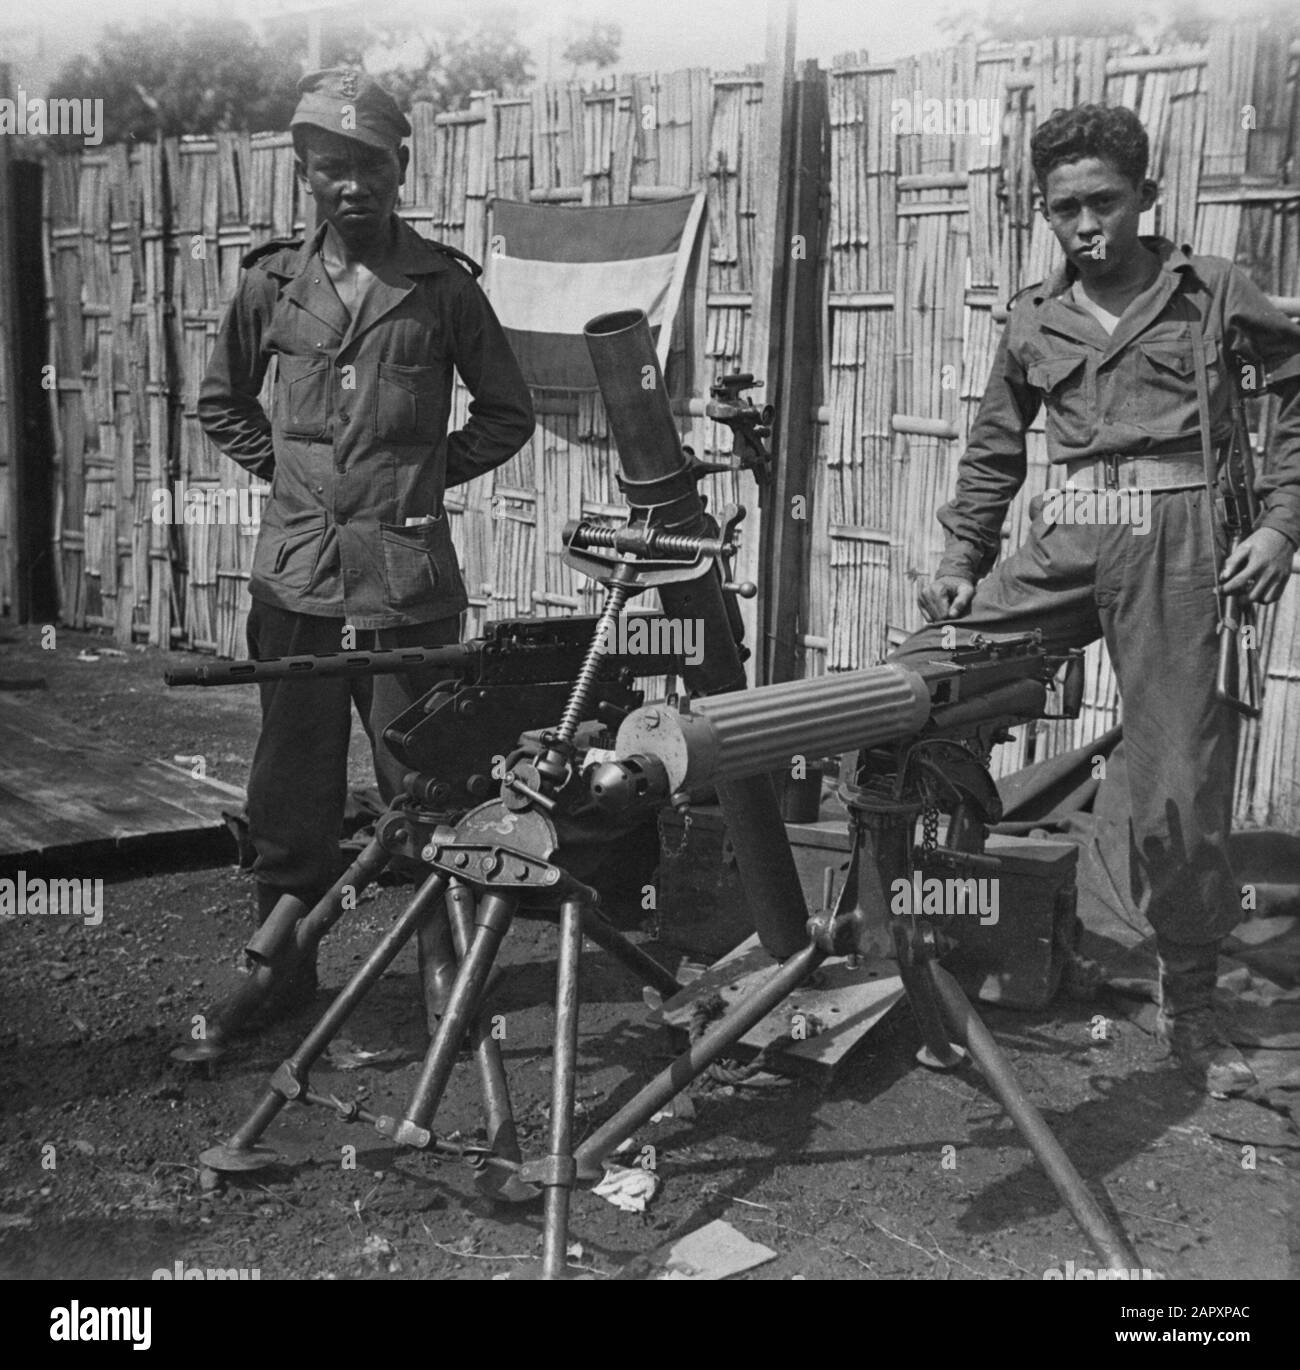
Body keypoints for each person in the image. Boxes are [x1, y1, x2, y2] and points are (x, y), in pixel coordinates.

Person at [893, 104, 1300, 1095]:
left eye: (1105, 203)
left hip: (1187, 540)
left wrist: (1280, 523)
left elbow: (1293, 385)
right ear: (1045, 211)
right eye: (1065, 207)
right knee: (925, 674)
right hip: (1072, 530)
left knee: (1179, 778)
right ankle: (933, 925)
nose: (1087, 225)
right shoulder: (1033, 317)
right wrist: (961, 553)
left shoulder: (1210, 291)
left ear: (1146, 197)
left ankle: (1190, 998)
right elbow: (994, 447)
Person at [198, 68, 535, 1013]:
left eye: (371, 165)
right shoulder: (271, 282)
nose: (353, 185)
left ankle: (441, 971)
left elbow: (509, 412)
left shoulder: (439, 288)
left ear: (401, 165)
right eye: (331, 167)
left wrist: (418, 480)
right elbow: (219, 402)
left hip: (407, 580)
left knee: (426, 781)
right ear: (305, 172)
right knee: (289, 785)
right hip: (298, 581)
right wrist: (299, 479)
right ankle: (282, 973)